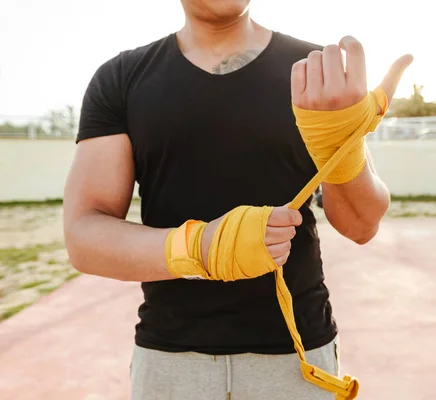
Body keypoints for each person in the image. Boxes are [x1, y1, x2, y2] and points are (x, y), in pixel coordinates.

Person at [63, 1, 412, 398]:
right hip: (171, 364)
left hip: (299, 362)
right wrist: (203, 248)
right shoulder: (120, 79)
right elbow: (83, 237)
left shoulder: (317, 73)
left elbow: (361, 225)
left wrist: (341, 145)